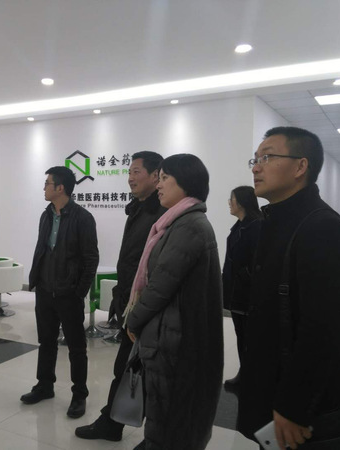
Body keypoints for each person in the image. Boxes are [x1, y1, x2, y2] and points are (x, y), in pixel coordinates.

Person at [237, 127, 340, 450]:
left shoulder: (322, 228)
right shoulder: (276, 222)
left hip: (305, 407)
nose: (256, 167)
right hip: (273, 387)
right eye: (255, 159)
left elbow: (323, 330)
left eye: (267, 157)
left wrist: (294, 405)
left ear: (300, 166)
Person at [126, 154, 224, 450]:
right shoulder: (176, 222)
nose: (159, 185)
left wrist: (133, 320)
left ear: (186, 182)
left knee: (170, 414)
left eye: (165, 178)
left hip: (175, 341)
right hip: (169, 335)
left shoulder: (188, 226)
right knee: (165, 413)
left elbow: (160, 286)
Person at [75, 151, 165, 441]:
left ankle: (124, 427)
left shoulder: (161, 214)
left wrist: (138, 306)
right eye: (129, 172)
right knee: (126, 367)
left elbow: (155, 268)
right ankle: (113, 423)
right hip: (131, 303)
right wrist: (121, 296)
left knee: (137, 370)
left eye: (137, 172)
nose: (130, 178)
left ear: (156, 176)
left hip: (145, 308)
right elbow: (131, 261)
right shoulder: (137, 209)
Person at [21, 166, 99, 419]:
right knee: (46, 342)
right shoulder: (45, 215)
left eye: (47, 183)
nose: (44, 188)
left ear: (60, 188)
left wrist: (79, 292)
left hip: (69, 293)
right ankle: (45, 385)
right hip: (45, 290)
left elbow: (91, 258)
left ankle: (79, 394)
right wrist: (35, 281)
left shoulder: (83, 218)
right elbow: (41, 250)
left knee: (76, 346)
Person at [222, 185, 262, 389]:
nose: (230, 203)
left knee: (250, 338)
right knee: (242, 336)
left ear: (242, 202)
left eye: (232, 199)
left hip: (248, 295)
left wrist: (243, 278)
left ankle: (251, 378)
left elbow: (257, 262)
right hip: (237, 293)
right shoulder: (240, 226)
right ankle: (245, 373)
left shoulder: (256, 226)